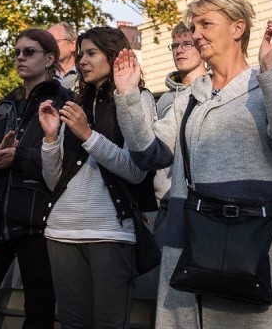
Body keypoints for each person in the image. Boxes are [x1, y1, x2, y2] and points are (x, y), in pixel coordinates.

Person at [114, 0, 272, 328]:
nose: (195, 34)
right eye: (193, 27)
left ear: (238, 28)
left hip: (257, 248)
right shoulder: (188, 97)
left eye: (205, 24)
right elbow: (149, 154)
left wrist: (269, 69)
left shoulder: (268, 82)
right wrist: (129, 96)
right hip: (191, 246)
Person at [38, 26, 172, 329]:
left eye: (91, 53)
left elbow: (136, 171)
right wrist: (49, 140)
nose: (82, 60)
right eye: (81, 53)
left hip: (111, 233)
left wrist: (87, 135)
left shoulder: (139, 101)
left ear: (113, 55)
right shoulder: (72, 104)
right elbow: (53, 181)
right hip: (61, 231)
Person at [0, 28, 71, 329]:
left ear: (49, 59)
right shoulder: (5, 105)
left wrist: (16, 157)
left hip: (38, 224)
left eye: (29, 52)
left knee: (39, 314)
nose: (20, 57)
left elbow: (66, 165)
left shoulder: (65, 103)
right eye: (17, 51)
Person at [152, 21, 208, 245]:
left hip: (202, 205)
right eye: (175, 46)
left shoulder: (214, 90)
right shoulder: (165, 99)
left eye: (187, 44)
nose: (180, 50)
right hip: (165, 204)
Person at [48, 22, 79, 90]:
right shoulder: (42, 77)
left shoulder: (85, 74)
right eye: (47, 43)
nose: (49, 46)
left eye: (55, 41)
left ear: (73, 45)